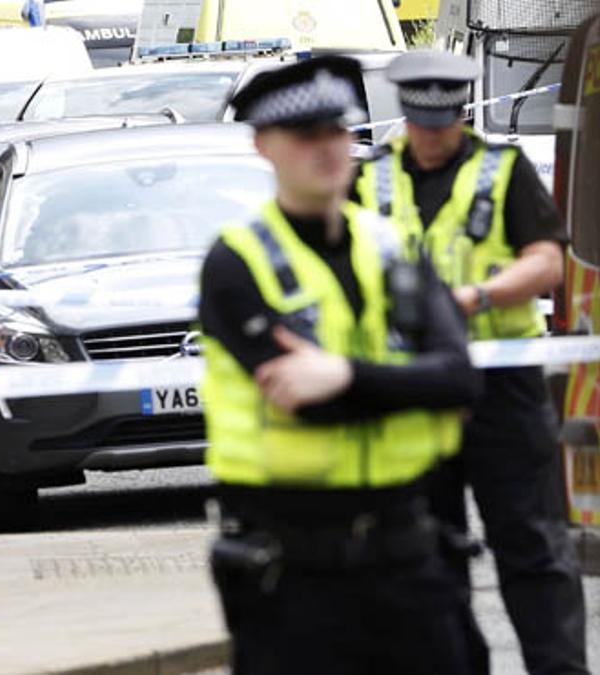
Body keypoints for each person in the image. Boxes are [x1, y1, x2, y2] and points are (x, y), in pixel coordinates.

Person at [200, 56, 482, 674]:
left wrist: (346, 375)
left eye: (338, 130)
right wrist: (411, 385)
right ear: (264, 146)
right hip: (292, 569)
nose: (329, 148)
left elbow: (461, 380)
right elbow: (309, 404)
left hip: (407, 548)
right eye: (307, 136)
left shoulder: (391, 246)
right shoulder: (237, 262)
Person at [352, 49, 589, 675]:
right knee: (428, 552)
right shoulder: (371, 179)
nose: (433, 138)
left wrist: (474, 297)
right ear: (405, 116)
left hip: (501, 387)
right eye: (423, 126)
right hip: (415, 389)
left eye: (444, 125)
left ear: (461, 114)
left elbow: (545, 262)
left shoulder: (501, 169)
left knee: (533, 546)